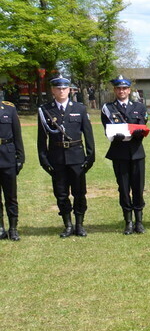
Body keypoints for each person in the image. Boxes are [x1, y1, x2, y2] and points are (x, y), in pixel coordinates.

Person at [38, 77, 96, 237]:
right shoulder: (45, 110)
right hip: (56, 158)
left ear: (70, 90)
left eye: (65, 88)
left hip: (77, 157)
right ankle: (67, 225)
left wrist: (90, 156)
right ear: (53, 90)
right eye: (58, 88)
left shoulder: (80, 108)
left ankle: (79, 224)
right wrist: (43, 159)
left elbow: (88, 135)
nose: (61, 91)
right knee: (61, 193)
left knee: (79, 193)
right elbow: (41, 138)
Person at [100, 75, 149, 233]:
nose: (122, 91)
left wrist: (138, 133)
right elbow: (107, 128)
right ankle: (128, 221)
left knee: (138, 187)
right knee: (123, 187)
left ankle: (139, 221)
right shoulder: (108, 108)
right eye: (118, 88)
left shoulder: (140, 107)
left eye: (124, 88)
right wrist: (116, 136)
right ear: (115, 90)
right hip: (119, 152)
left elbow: (142, 124)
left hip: (136, 152)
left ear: (129, 90)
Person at [0, 93, 22, 241]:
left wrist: (20, 157)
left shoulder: (9, 109)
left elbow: (17, 134)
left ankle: (13, 228)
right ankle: (0, 227)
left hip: (7, 156)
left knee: (11, 196)